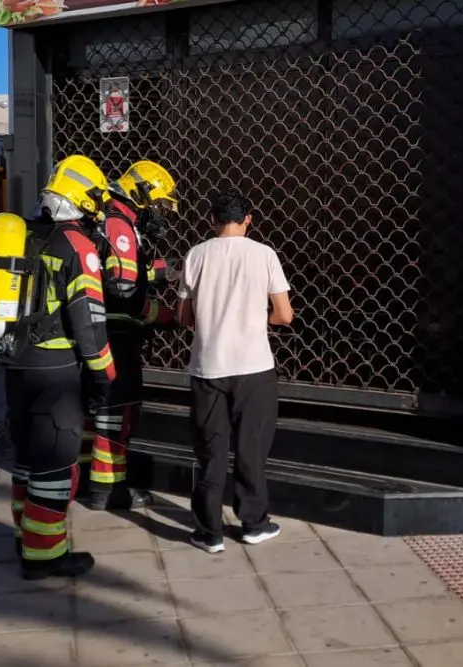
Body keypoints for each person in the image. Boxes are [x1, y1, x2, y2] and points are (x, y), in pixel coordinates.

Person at [4, 155, 116, 580]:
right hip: (55, 370)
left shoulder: (27, 236)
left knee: (27, 458)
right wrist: (104, 375)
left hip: (17, 365)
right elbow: (88, 321)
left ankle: (26, 535)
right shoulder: (78, 247)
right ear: (83, 200)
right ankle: (45, 556)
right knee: (54, 465)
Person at [176, 188, 294, 554]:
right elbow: (284, 315)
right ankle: (254, 523)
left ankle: (209, 532)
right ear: (249, 219)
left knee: (211, 451)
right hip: (255, 369)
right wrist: (259, 320)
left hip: (208, 368)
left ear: (212, 220)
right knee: (251, 449)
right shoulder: (264, 255)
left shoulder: (196, 255)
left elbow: (183, 317)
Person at [79, 160, 179, 511]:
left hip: (97, 330)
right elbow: (123, 288)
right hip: (117, 334)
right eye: (158, 203)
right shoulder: (121, 224)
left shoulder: (109, 219)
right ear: (142, 193)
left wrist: (163, 271)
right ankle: (109, 490)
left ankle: (83, 481)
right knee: (117, 413)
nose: (158, 212)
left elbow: (124, 269)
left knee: (94, 411)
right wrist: (161, 314)